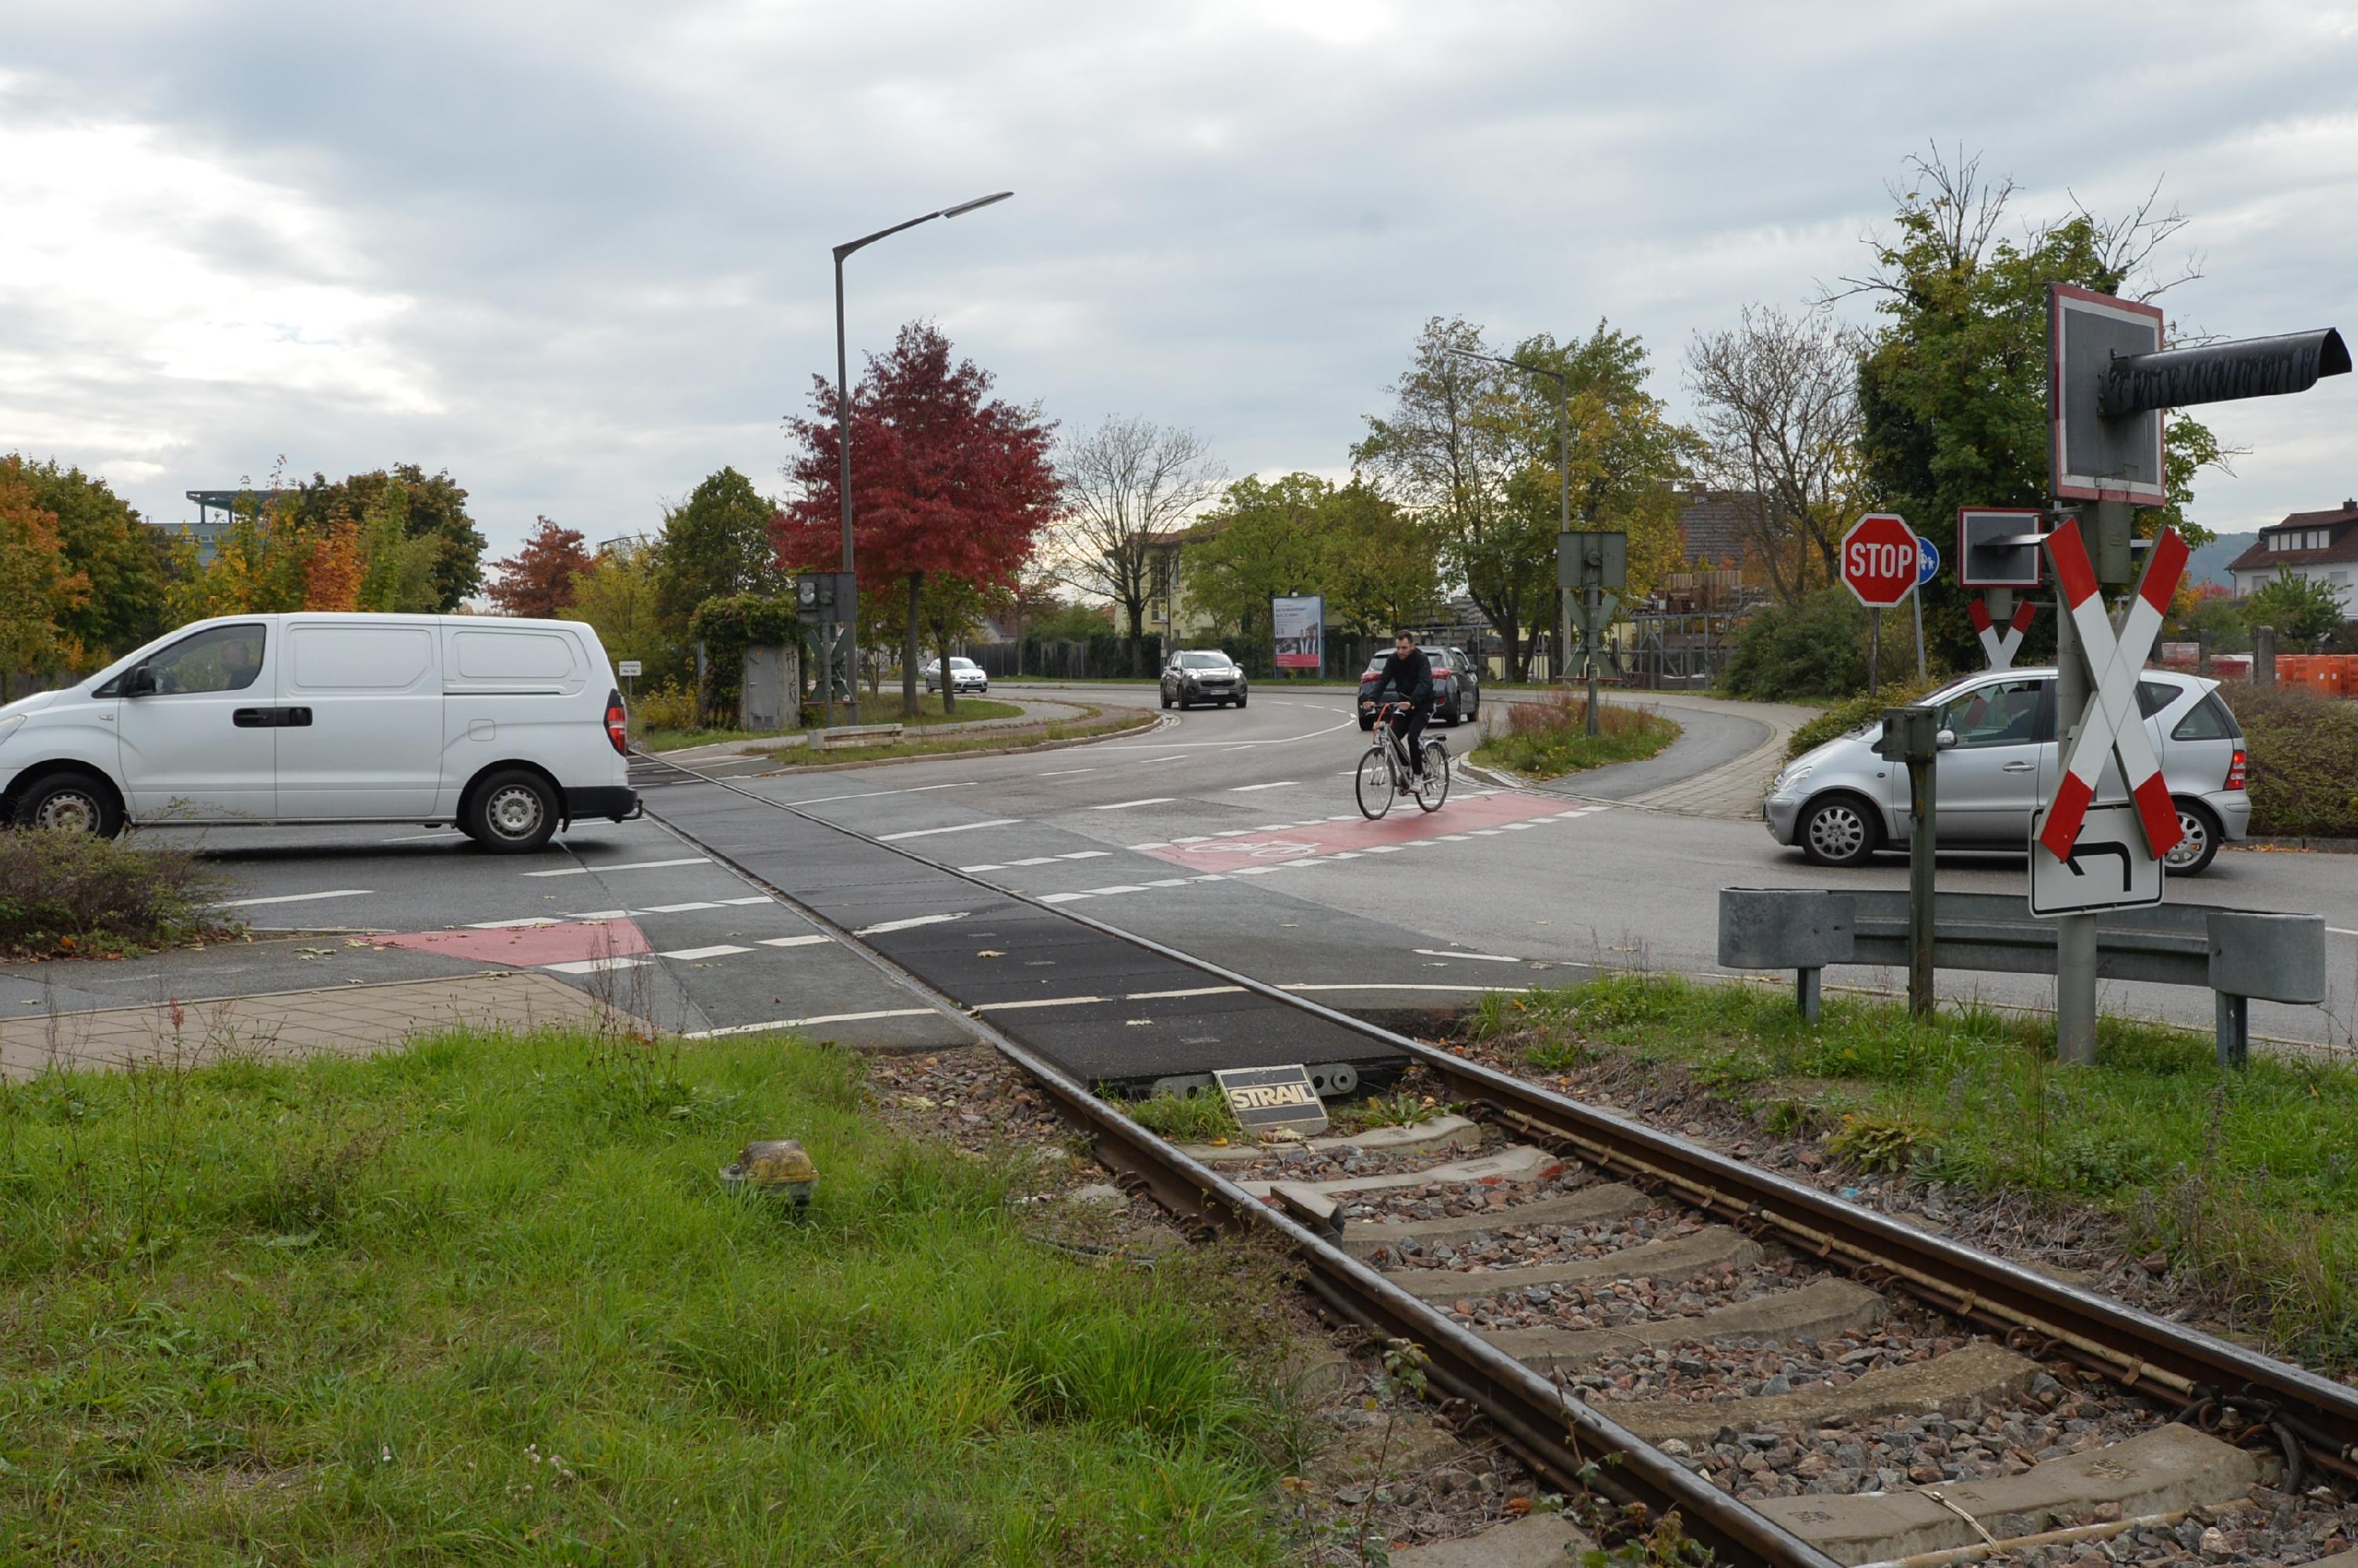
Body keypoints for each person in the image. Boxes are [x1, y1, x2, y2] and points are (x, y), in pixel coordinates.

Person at [1361, 629, 1435, 790]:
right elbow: (1383, 680)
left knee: (1413, 737)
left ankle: (1418, 777)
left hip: (1423, 705)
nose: (1401, 651)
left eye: (1404, 648)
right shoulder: (1393, 660)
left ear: (1412, 646)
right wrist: (1372, 699)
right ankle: (1406, 768)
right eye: (1398, 648)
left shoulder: (1421, 659)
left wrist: (1412, 701)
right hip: (1404, 705)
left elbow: (1425, 683)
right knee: (1392, 737)